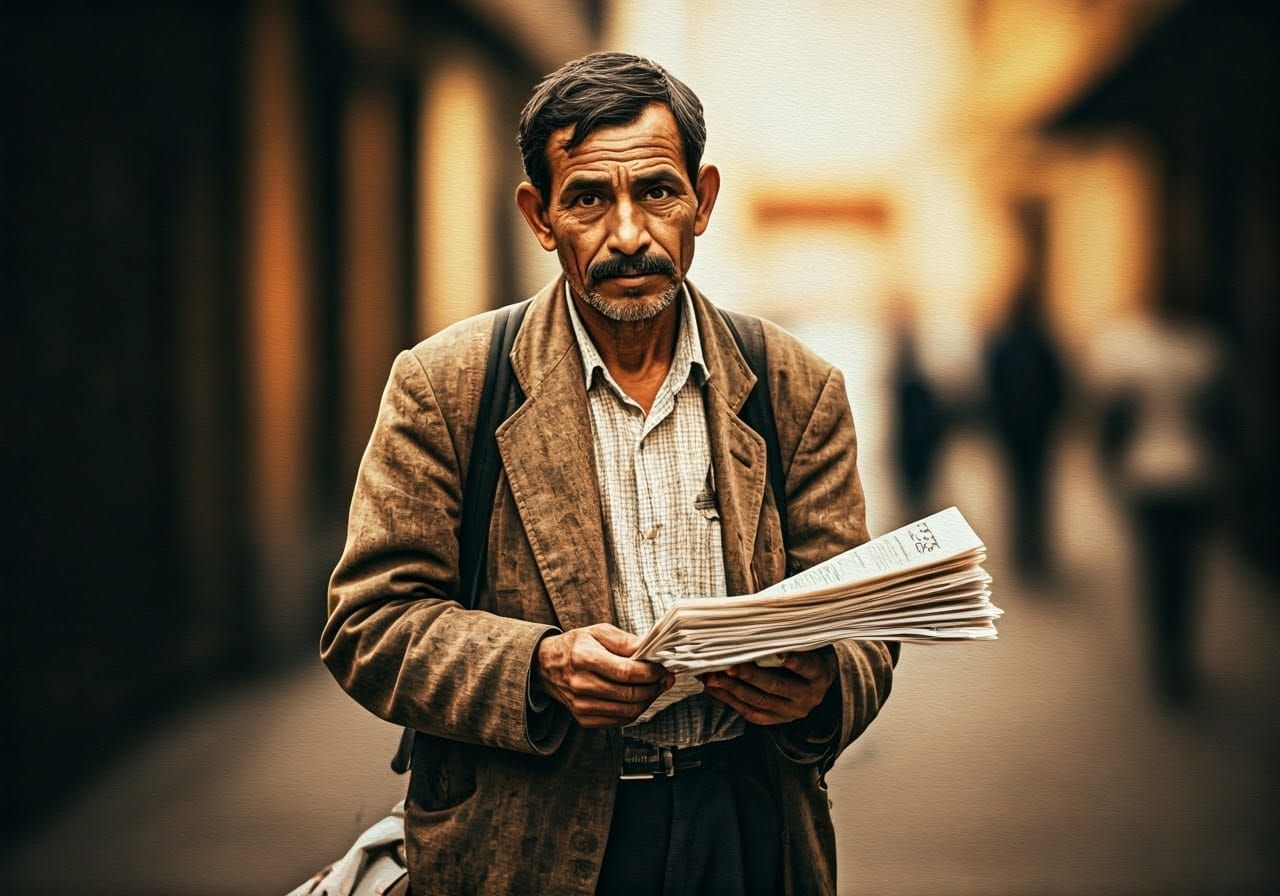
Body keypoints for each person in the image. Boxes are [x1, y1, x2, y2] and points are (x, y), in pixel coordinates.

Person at [321, 52, 897, 895]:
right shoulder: (447, 384)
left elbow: (864, 625)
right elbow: (368, 625)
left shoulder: (793, 387)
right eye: (589, 198)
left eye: (657, 192)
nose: (628, 234)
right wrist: (537, 665)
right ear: (541, 215)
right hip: (525, 841)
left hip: (745, 828)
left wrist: (820, 682)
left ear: (702, 200)